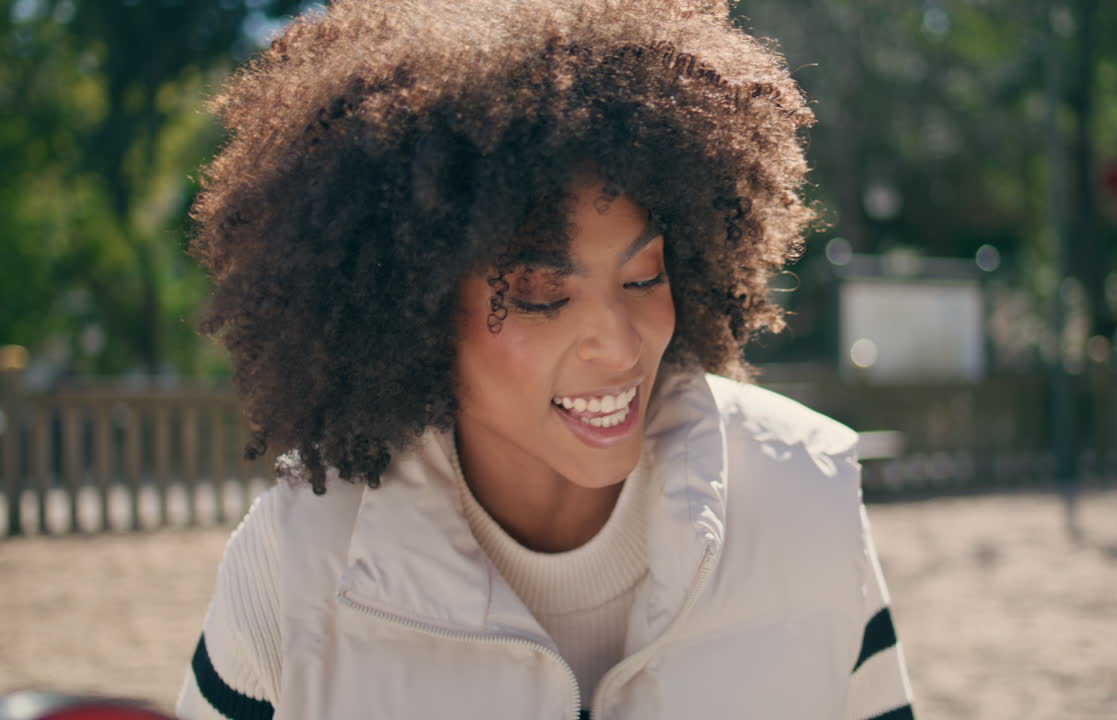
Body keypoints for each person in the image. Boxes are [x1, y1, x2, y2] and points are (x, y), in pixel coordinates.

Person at [176, 0, 913, 718]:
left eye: (643, 277)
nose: (621, 346)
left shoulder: (806, 493)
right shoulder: (298, 565)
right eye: (539, 293)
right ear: (413, 304)